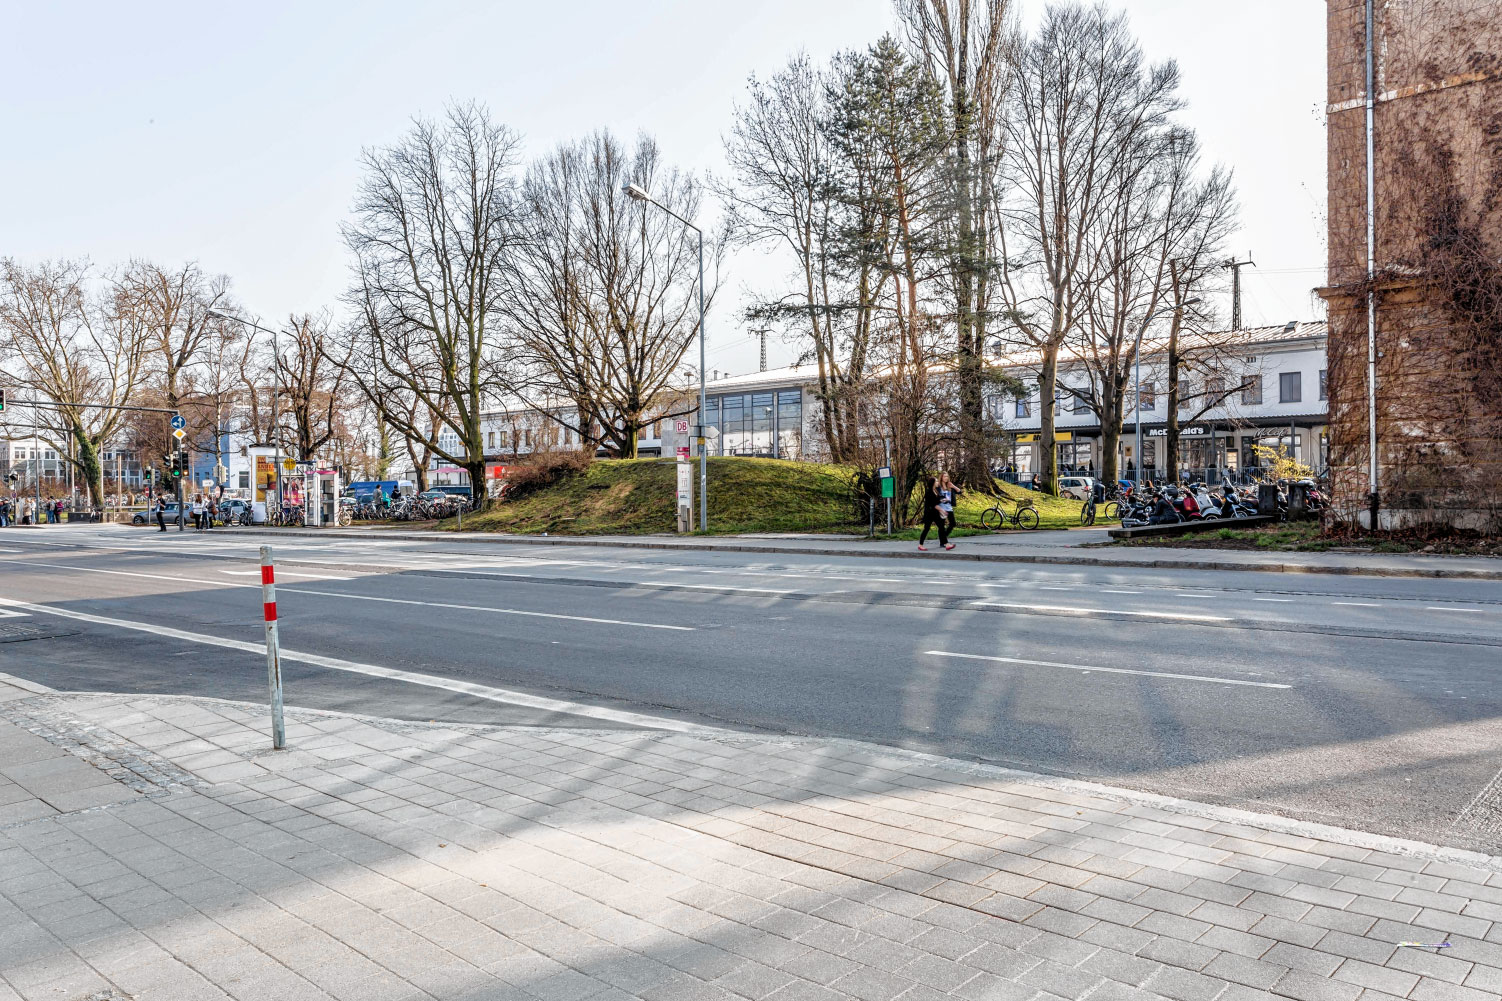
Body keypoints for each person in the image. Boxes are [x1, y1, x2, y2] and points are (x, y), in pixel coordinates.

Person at [917, 474, 954, 552]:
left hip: (935, 513)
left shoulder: (936, 490)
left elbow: (937, 500)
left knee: (941, 527)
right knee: (926, 529)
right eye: (936, 481)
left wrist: (943, 500)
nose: (938, 482)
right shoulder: (929, 492)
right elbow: (933, 504)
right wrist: (942, 510)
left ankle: (946, 544)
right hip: (929, 513)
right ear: (933, 483)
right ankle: (920, 545)